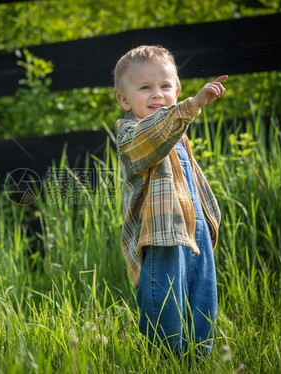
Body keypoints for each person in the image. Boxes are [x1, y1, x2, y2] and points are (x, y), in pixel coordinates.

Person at [113, 45, 227, 357]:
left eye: (165, 86)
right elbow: (153, 135)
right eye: (145, 88)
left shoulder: (178, 133)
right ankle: (165, 362)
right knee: (166, 308)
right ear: (124, 100)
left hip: (194, 234)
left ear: (176, 89)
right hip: (160, 236)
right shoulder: (131, 133)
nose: (157, 95)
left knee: (202, 303)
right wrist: (192, 104)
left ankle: (198, 361)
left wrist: (209, 223)